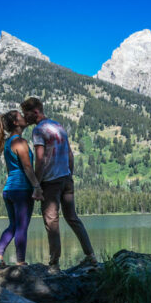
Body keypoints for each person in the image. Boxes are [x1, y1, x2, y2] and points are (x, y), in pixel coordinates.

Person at [21, 97, 97, 273]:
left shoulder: (39, 130)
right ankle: (91, 256)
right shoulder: (59, 127)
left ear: (36, 112)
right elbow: (70, 154)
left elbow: (40, 160)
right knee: (73, 218)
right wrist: (69, 174)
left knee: (51, 221)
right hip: (66, 179)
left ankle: (54, 264)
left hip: (50, 181)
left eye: (27, 114)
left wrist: (37, 185)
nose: (26, 119)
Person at [0, 110, 44, 267]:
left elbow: (11, 170)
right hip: (22, 190)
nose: (24, 116)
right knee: (21, 227)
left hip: (9, 190)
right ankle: (20, 262)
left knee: (13, 225)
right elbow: (27, 167)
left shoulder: (8, 143)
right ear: (16, 123)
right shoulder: (20, 142)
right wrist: (37, 186)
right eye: (21, 116)